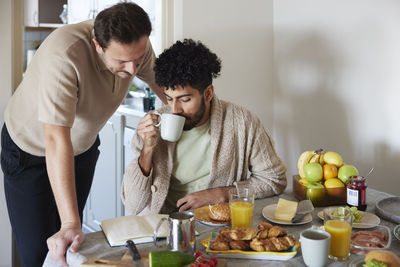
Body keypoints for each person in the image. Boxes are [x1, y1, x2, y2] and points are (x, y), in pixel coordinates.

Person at [0, 3, 165, 267]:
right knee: (40, 253)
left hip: (81, 149)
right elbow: (55, 139)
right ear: (97, 45)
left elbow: (165, 86)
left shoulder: (135, 48)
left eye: (138, 58)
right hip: (29, 152)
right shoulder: (65, 55)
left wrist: (191, 113)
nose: (133, 70)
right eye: (122, 61)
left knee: (72, 247)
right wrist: (70, 223)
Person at [121, 39, 287, 215]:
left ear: (208, 93)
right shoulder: (154, 126)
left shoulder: (242, 122)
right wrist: (147, 150)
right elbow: (133, 205)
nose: (175, 110)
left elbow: (274, 179)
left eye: (185, 100)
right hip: (165, 227)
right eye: (169, 99)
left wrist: (220, 194)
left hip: (217, 229)